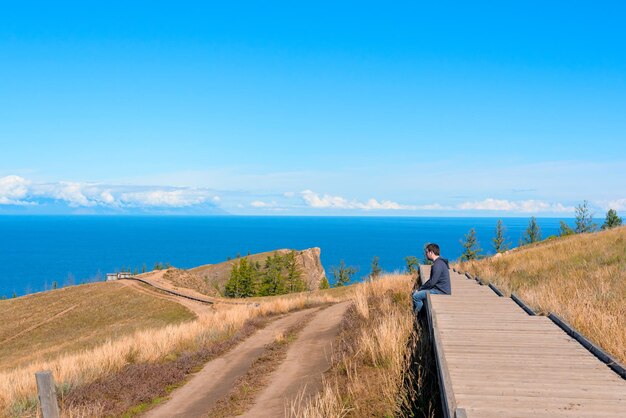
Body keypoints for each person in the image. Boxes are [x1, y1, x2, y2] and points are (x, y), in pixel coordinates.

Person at [412, 243, 451, 314]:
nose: (425, 254)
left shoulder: (437, 264)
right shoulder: (440, 262)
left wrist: (420, 289)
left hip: (441, 291)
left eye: (426, 252)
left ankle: (418, 315)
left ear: (431, 252)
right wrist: (422, 288)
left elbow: (432, 282)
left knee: (416, 296)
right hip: (441, 288)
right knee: (417, 293)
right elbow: (432, 281)